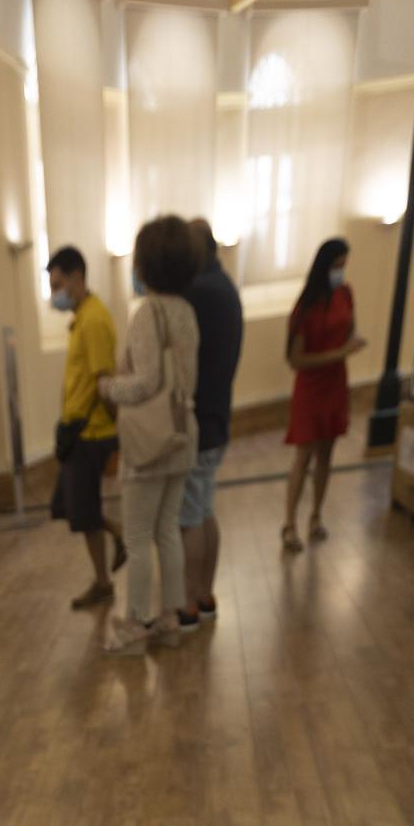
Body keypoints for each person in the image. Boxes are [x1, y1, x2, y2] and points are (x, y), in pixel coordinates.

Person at [97, 216, 198, 653]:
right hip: (180, 432)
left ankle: (137, 623)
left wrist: (106, 386)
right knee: (167, 530)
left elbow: (145, 383)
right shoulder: (187, 312)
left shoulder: (147, 314)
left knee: (137, 536)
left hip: (148, 441)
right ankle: (170, 617)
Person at [46, 244, 125, 608]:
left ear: (77, 278)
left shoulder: (93, 319)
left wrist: (116, 429)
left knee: (82, 510)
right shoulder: (82, 317)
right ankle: (114, 540)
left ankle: (103, 581)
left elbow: (103, 381)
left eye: (58, 285)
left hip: (90, 433)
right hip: (78, 430)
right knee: (68, 506)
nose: (54, 294)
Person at [282, 238, 366, 552]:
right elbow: (295, 359)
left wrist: (347, 348)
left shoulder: (345, 294)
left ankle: (315, 515)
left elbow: (349, 330)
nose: (341, 272)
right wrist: (339, 353)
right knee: (303, 456)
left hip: (335, 384)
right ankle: (289, 523)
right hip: (311, 386)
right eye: (336, 267)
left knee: (326, 455)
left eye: (344, 266)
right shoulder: (305, 308)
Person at [181, 218, 243, 622]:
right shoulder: (226, 288)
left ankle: (189, 601)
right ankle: (205, 595)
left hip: (198, 422)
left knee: (188, 518)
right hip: (218, 418)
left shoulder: (198, 293)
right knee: (204, 510)